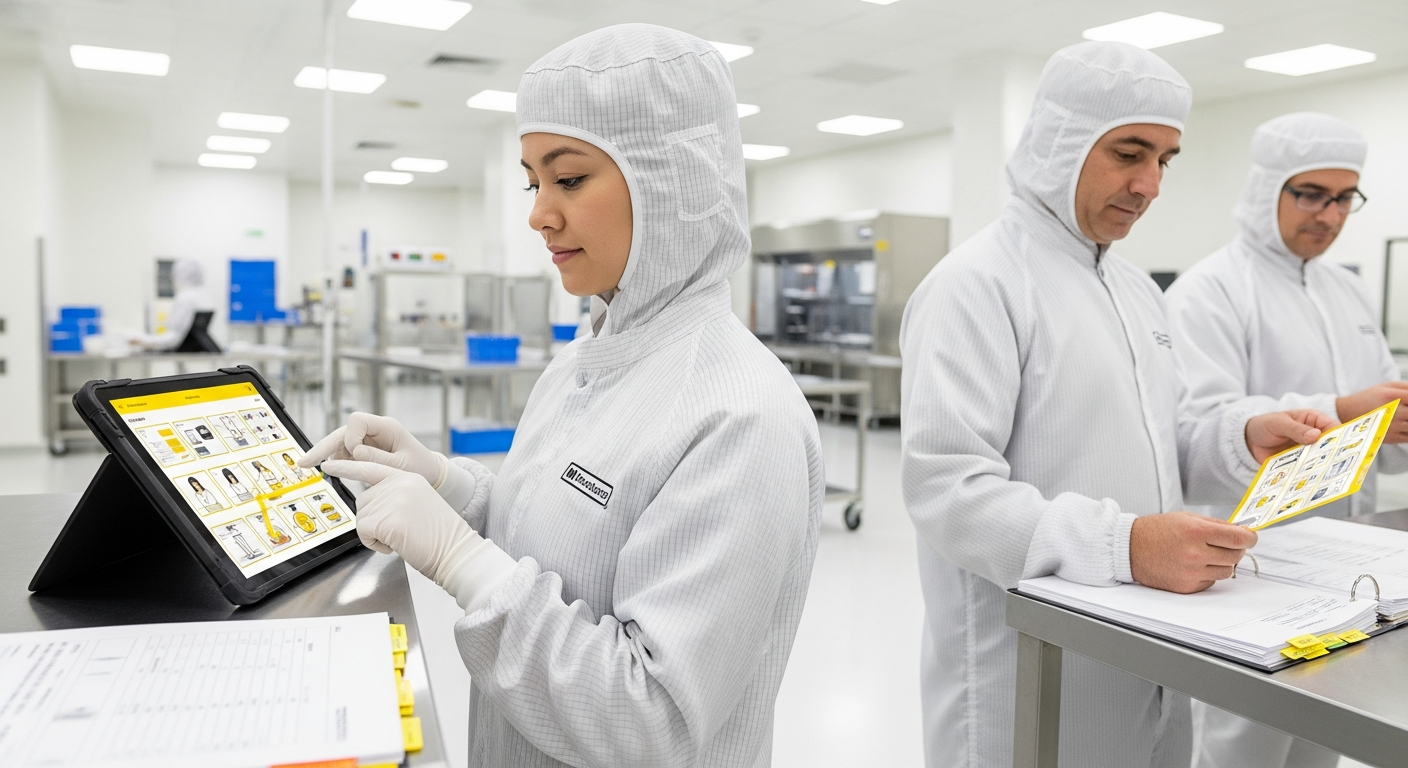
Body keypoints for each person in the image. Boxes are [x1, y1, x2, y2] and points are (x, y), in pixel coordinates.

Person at [302, 24, 824, 767]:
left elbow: (650, 723)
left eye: (569, 178)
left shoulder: (741, 416)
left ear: (668, 181)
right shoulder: (584, 361)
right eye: (532, 180)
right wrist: (444, 484)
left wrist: (458, 559)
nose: (539, 213)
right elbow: (553, 537)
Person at [899, 41, 1334, 767]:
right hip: (1025, 673)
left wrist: (1243, 434)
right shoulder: (977, 285)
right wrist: (1125, 546)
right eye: (1129, 153)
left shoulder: (1135, 291)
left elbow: (1164, 443)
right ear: (1059, 145)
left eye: (1166, 159)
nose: (1150, 183)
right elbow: (948, 493)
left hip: (1151, 652)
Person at [1166, 113, 1407, 768]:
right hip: (1251, 569)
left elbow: (1377, 429)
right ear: (1266, 189)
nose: (1328, 215)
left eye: (1343, 198)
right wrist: (1338, 411)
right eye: (1310, 194)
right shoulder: (1210, 291)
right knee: (1243, 742)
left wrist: (1392, 428)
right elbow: (1199, 431)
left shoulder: (1348, 291)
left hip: (1349, 569)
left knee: (1320, 742)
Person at [144, 258, 215, 351]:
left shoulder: (184, 297)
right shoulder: (204, 296)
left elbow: (175, 337)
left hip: (183, 350)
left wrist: (146, 341)